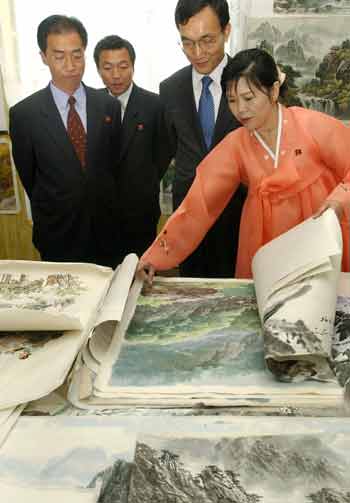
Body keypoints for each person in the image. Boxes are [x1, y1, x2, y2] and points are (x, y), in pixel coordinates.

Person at [138, 48, 350, 281]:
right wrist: (153, 257)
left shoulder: (311, 125)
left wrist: (338, 200)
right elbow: (198, 205)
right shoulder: (236, 145)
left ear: (274, 90)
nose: (240, 109)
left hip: (317, 238)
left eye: (248, 98)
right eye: (232, 100)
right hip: (267, 246)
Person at [10, 15, 122, 266]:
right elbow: (30, 177)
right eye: (59, 56)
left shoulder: (108, 106)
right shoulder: (24, 115)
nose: (70, 65)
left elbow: (113, 165)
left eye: (77, 54)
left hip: (108, 231)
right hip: (58, 234)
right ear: (44, 57)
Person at [159, 0, 246, 278]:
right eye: (187, 42)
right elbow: (169, 147)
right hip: (189, 214)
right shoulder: (170, 88)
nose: (197, 53)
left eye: (207, 40)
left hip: (240, 212)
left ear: (227, 31)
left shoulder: (250, 82)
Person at [93, 35, 170, 262]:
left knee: (139, 273)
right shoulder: (91, 103)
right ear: (98, 70)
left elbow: (164, 150)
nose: (116, 75)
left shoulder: (155, 105)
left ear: (133, 66)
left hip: (140, 208)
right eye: (108, 68)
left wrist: (145, 178)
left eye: (123, 66)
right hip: (99, 210)